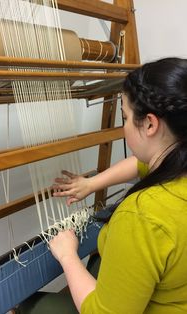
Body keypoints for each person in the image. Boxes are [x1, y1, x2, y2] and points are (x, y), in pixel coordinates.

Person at [48, 58, 187, 313]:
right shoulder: (177, 165)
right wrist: (90, 184)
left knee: (27, 304)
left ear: (150, 124)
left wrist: (68, 255)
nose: (123, 126)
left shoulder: (143, 216)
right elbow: (140, 164)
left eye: (125, 117)